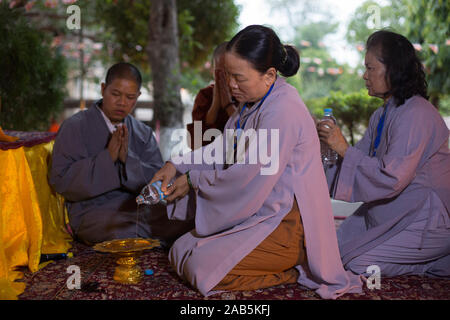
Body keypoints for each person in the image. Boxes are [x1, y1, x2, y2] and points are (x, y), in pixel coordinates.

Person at [149, 25, 362, 299]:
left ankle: (295, 268)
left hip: (286, 222)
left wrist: (192, 180)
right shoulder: (252, 104)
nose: (230, 86)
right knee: (180, 250)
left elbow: (244, 177)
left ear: (269, 75)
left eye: (239, 78)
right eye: (228, 76)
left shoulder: (283, 109)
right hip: (258, 212)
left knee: (200, 266)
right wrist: (175, 164)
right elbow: (222, 147)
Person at [318, 30, 450, 278]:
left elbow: (391, 178)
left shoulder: (417, 113)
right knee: (330, 251)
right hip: (392, 208)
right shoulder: (382, 114)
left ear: (393, 69)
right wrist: (323, 153)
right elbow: (355, 163)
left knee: (358, 264)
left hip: (427, 218)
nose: (364, 76)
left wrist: (343, 148)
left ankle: (437, 261)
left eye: (370, 68)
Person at [49, 62, 193, 245]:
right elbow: (61, 181)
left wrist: (128, 160)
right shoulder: (75, 127)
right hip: (92, 210)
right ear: (103, 89)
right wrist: (107, 158)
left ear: (138, 97)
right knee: (124, 231)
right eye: (115, 94)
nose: (122, 102)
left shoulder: (142, 132)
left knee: (184, 219)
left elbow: (157, 182)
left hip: (136, 207)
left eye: (130, 97)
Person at [186, 42, 237, 149]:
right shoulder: (205, 95)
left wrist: (228, 104)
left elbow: (248, 133)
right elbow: (196, 144)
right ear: (213, 71)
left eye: (229, 72)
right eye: (220, 73)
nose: (224, 78)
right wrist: (215, 103)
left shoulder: (247, 94)